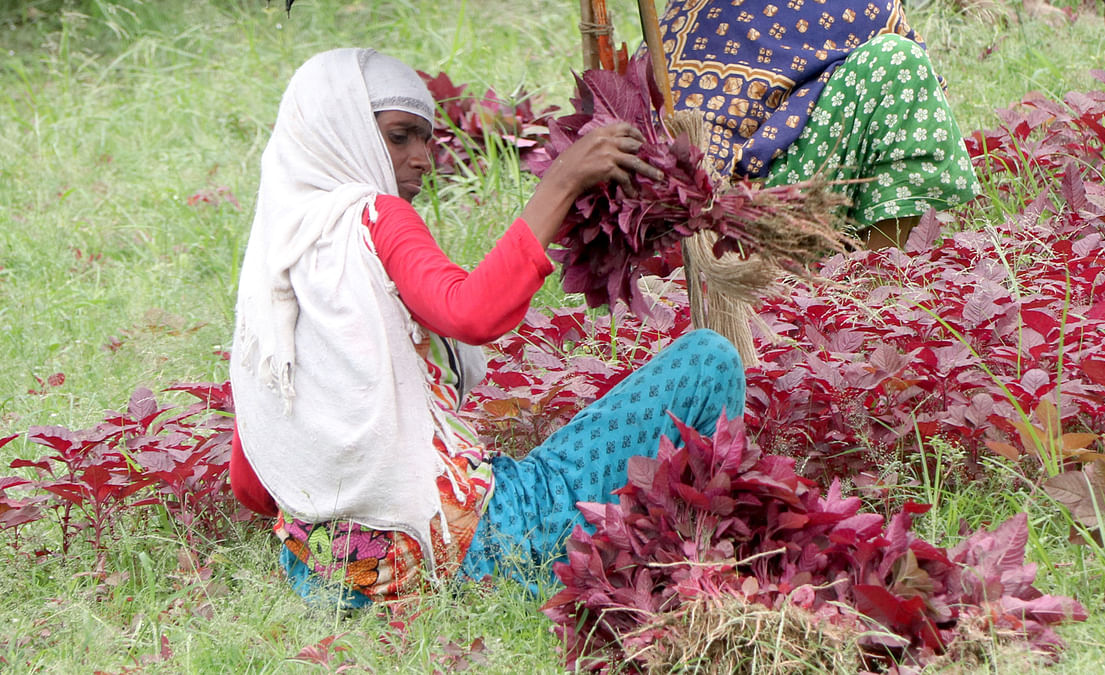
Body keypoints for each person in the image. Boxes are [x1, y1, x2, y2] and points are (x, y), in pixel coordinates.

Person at [227, 48, 746, 606]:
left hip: (325, 578)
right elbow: (472, 312)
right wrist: (563, 182)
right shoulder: (375, 217)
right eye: (400, 137)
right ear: (341, 131)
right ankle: (700, 564)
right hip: (468, 549)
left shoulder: (271, 270)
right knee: (707, 361)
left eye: (426, 139)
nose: (423, 157)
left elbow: (251, 484)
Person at [656, 0, 981, 249]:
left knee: (899, 62)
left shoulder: (864, 10)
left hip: (783, 196)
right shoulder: (701, 10)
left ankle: (875, 280)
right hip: (689, 204)